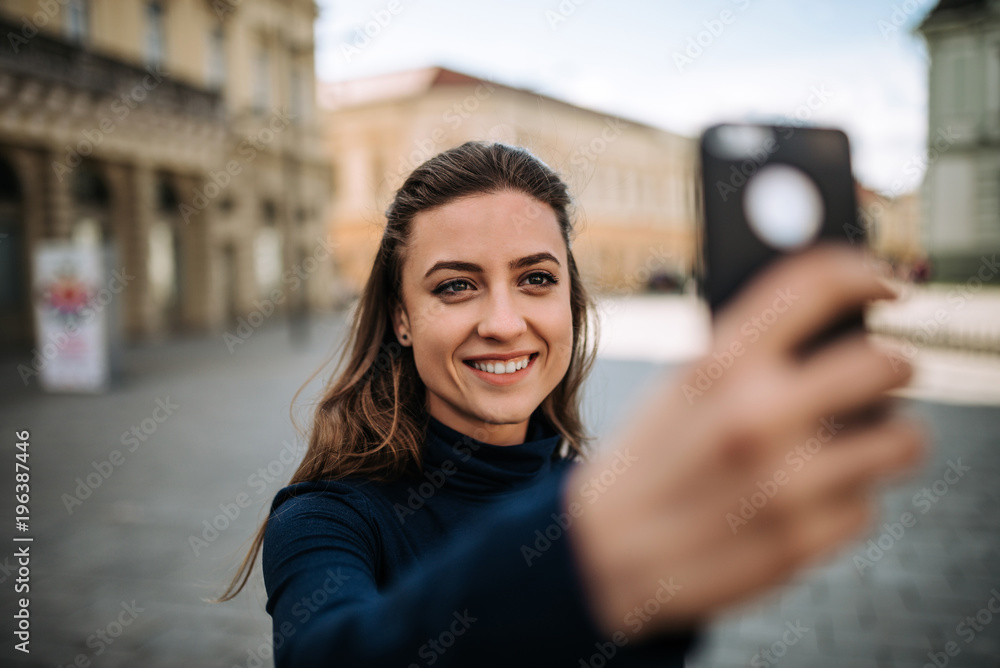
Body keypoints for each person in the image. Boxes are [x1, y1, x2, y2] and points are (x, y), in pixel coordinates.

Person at [214, 141, 925, 667]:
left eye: (535, 279)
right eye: (455, 286)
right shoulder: (325, 520)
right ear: (401, 317)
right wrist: (589, 556)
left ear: (571, 303)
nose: (502, 321)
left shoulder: (602, 490)